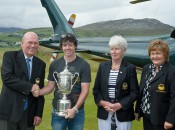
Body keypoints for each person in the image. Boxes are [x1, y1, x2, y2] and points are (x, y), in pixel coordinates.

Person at [35, 33, 91, 130]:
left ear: (75, 46)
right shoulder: (55, 64)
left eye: (70, 45)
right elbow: (50, 86)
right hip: (58, 109)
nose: (67, 48)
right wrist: (38, 92)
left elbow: (85, 91)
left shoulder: (84, 65)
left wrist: (75, 109)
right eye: (64, 45)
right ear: (61, 47)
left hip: (77, 111)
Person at [0, 32, 46, 130]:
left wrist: (38, 113)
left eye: (36, 43)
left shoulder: (41, 64)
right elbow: (7, 77)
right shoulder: (10, 56)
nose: (33, 46)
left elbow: (39, 90)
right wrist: (30, 87)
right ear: (22, 43)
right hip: (9, 112)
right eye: (30, 42)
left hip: (29, 115)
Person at [93, 35, 139, 130]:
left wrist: (120, 105)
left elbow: (134, 93)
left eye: (117, 49)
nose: (113, 52)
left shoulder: (130, 68)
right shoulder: (102, 66)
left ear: (124, 51)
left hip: (123, 113)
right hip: (104, 112)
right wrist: (103, 103)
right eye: (112, 49)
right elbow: (96, 90)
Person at [135, 39, 175, 130]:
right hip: (147, 116)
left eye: (158, 53)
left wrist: (171, 119)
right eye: (152, 53)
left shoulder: (172, 71)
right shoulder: (146, 69)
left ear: (165, 54)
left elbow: (174, 97)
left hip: (163, 119)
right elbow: (142, 91)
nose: (155, 56)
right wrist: (138, 110)